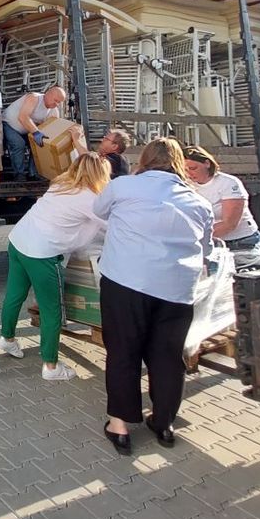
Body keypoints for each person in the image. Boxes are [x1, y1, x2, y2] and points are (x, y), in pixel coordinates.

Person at [91, 137, 214, 455]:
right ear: (178, 164)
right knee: (168, 359)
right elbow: (206, 248)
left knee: (123, 352)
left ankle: (119, 425)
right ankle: (164, 423)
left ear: (144, 159)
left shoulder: (123, 187)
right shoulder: (198, 201)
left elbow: (98, 210)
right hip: (176, 289)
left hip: (126, 282)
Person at [0, 153, 111, 380]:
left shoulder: (60, 184)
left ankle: (6, 339)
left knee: (14, 295)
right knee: (52, 310)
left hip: (18, 241)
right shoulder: (90, 198)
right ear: (100, 174)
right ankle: (51, 366)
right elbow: (112, 225)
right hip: (42, 254)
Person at [184, 146, 260, 250]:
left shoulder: (228, 183)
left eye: (193, 168)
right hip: (210, 242)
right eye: (184, 170)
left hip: (243, 242)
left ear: (207, 164)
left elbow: (229, 224)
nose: (189, 174)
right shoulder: (186, 185)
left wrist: (194, 238)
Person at [2, 85, 67, 180]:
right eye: (55, 100)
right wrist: (36, 132)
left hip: (27, 131)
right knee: (19, 144)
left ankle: (33, 173)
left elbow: (51, 129)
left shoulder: (54, 112)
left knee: (40, 144)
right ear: (48, 94)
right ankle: (19, 174)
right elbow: (23, 117)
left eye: (59, 102)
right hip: (9, 125)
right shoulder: (34, 98)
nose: (56, 104)